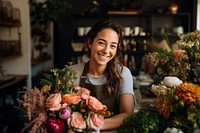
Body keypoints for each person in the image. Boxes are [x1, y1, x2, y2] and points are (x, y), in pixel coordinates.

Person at [70, 19, 134, 131]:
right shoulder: (72, 72)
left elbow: (127, 114)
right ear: (90, 43)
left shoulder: (123, 73)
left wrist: (91, 126)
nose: (106, 50)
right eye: (101, 43)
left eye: (112, 46)